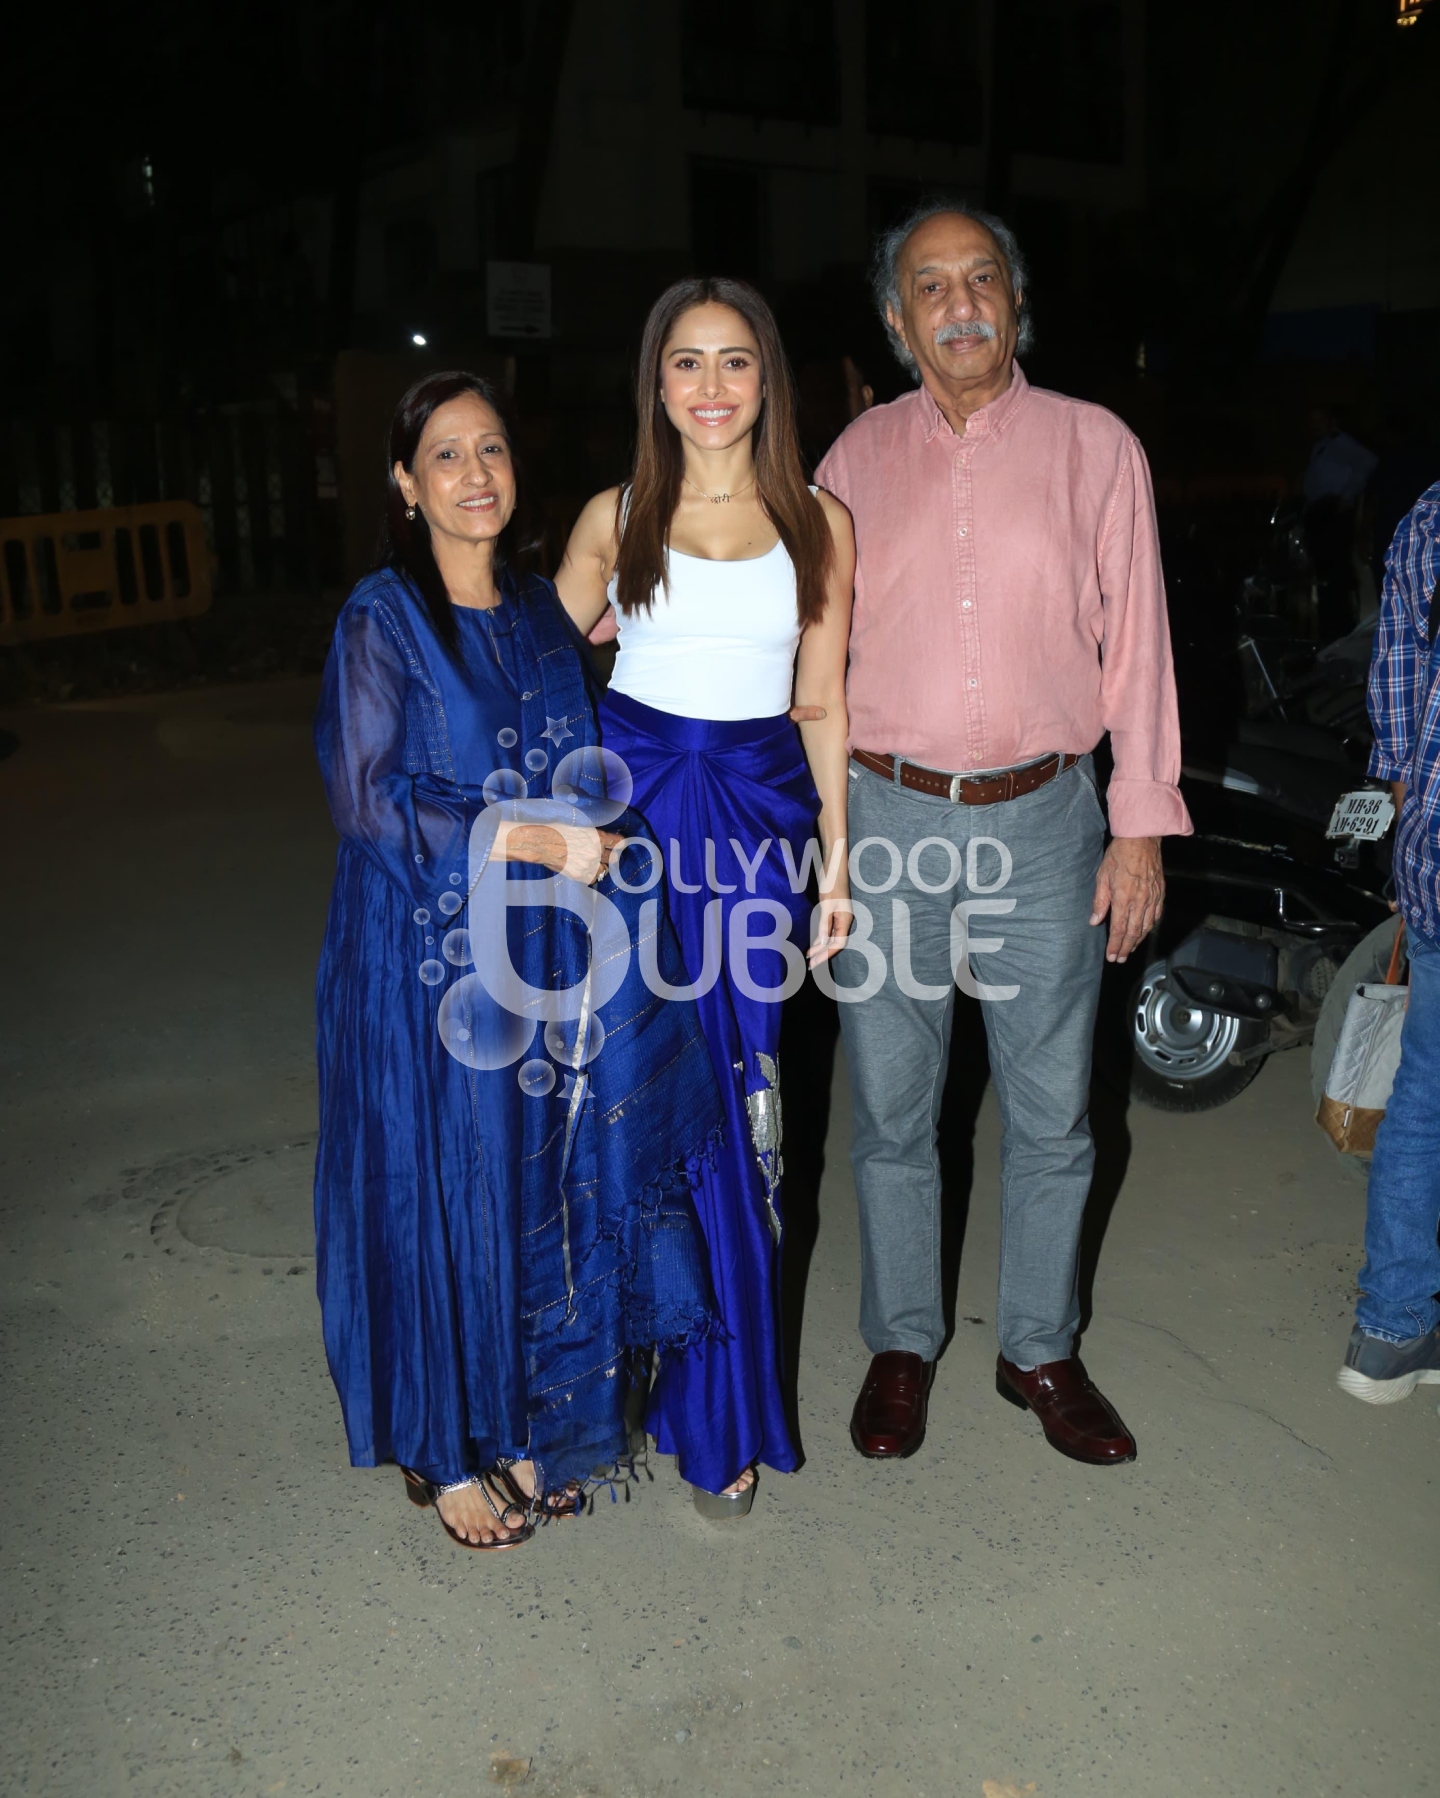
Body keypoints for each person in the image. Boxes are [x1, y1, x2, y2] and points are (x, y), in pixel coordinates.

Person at [312, 371, 720, 1550]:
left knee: (532, 1179)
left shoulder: (544, 611)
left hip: (539, 947)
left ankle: (523, 1415)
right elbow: (368, 798)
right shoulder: (381, 618)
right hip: (420, 954)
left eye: (491, 448)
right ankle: (444, 1450)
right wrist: (529, 834)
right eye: (446, 455)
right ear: (404, 482)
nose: (475, 474)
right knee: (436, 1188)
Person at [814, 199, 1192, 1469]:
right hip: (888, 820)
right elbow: (804, 660)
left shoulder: (1098, 447)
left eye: (983, 279)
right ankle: (902, 1341)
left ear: (1017, 303)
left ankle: (1037, 1343)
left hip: (1045, 819)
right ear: (895, 317)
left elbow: (1139, 647)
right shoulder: (850, 463)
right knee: (891, 1108)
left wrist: (1138, 823)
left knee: (1053, 1112)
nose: (961, 304)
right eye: (932, 286)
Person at [556, 277, 856, 1518]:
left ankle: (721, 1412)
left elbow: (824, 700)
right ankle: (589, 1398)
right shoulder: (615, 515)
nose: (715, 386)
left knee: (741, 1110)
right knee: (619, 1105)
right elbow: (530, 665)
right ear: (656, 383)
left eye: (737, 362)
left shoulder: (821, 520)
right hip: (632, 834)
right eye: (689, 362)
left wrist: (837, 866)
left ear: (767, 380)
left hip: (753, 833)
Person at [1337, 479, 1440, 1403]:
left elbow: (1397, 714)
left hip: (1437, 854)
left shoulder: (1429, 518)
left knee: (1424, 1091)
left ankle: (1389, 1328)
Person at [1302, 404, 1378, 642]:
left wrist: (1347, 495)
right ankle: (1331, 628)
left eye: (1319, 420)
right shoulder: (1321, 447)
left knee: (1334, 574)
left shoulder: (1341, 443)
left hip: (1332, 514)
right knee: (1325, 575)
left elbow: (1368, 461)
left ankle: (1340, 629)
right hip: (1319, 513)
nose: (1315, 426)